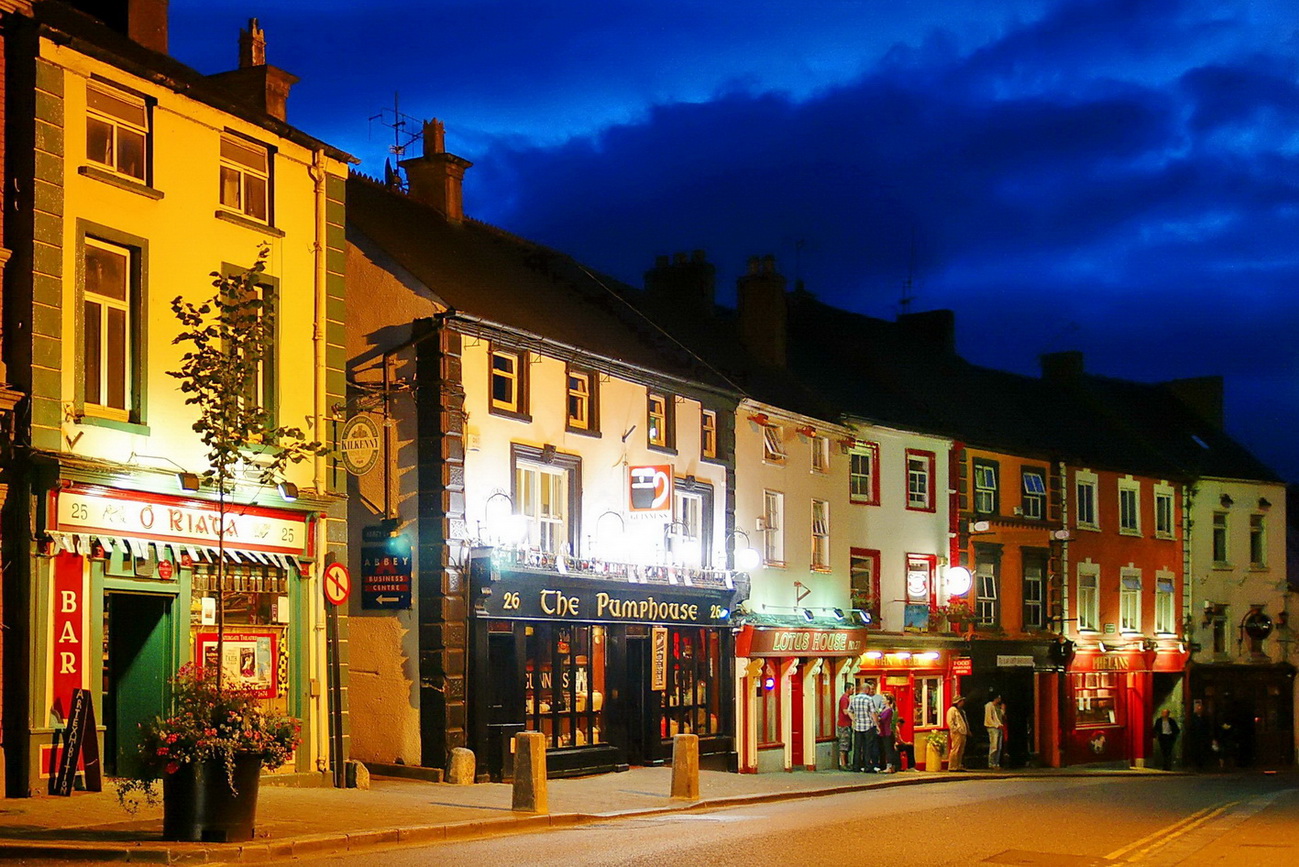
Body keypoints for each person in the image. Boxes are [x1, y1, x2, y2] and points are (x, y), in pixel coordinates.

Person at [848, 682, 875, 772]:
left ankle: (856, 766)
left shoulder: (854, 699)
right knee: (867, 747)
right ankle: (867, 766)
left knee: (857, 747)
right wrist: (877, 724)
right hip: (868, 726)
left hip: (858, 726)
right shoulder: (869, 699)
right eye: (869, 690)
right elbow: (872, 713)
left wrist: (854, 719)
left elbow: (849, 711)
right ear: (866, 690)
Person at [1187, 700, 1212, 771]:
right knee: (1195, 751)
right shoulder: (1192, 718)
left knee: (1202, 751)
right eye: (1198, 707)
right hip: (1195, 738)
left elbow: (1207, 727)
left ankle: (1201, 765)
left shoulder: (1205, 718)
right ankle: (1196, 764)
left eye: (1200, 707)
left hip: (1203, 737)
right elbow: (1190, 728)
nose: (1199, 709)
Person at [947, 695, 970, 771]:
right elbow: (950, 721)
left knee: (961, 750)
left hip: (963, 732)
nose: (963, 702)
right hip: (957, 732)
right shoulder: (952, 710)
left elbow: (964, 721)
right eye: (961, 701)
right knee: (955, 749)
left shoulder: (961, 711)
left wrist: (967, 730)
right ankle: (952, 766)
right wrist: (955, 729)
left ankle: (958, 765)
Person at [878, 693, 899, 773]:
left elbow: (882, 720)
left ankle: (889, 767)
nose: (882, 700)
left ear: (888, 701)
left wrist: (877, 717)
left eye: (884, 699)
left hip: (887, 732)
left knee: (888, 750)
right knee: (885, 750)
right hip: (884, 732)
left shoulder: (889, 710)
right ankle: (889, 766)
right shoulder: (884, 709)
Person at [985, 694, 1006, 770]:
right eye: (998, 698)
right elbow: (989, 718)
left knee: (999, 746)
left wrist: (1003, 710)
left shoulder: (997, 707)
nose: (999, 700)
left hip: (999, 727)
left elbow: (1000, 716)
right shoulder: (989, 706)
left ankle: (996, 763)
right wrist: (996, 725)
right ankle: (991, 763)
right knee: (994, 746)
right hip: (993, 727)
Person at [836, 681, 854, 770]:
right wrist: (854, 718)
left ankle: (846, 763)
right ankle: (843, 764)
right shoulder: (844, 699)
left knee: (847, 744)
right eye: (852, 689)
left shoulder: (847, 698)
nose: (853, 690)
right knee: (844, 744)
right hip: (844, 724)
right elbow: (845, 711)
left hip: (847, 724)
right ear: (847, 689)